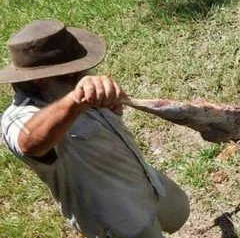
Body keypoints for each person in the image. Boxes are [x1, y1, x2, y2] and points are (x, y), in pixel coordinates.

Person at [0, 19, 190, 237]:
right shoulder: (17, 118)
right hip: (119, 220)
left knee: (178, 212)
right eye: (71, 71)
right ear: (39, 80)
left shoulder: (70, 85)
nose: (84, 73)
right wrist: (76, 101)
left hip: (146, 182)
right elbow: (29, 143)